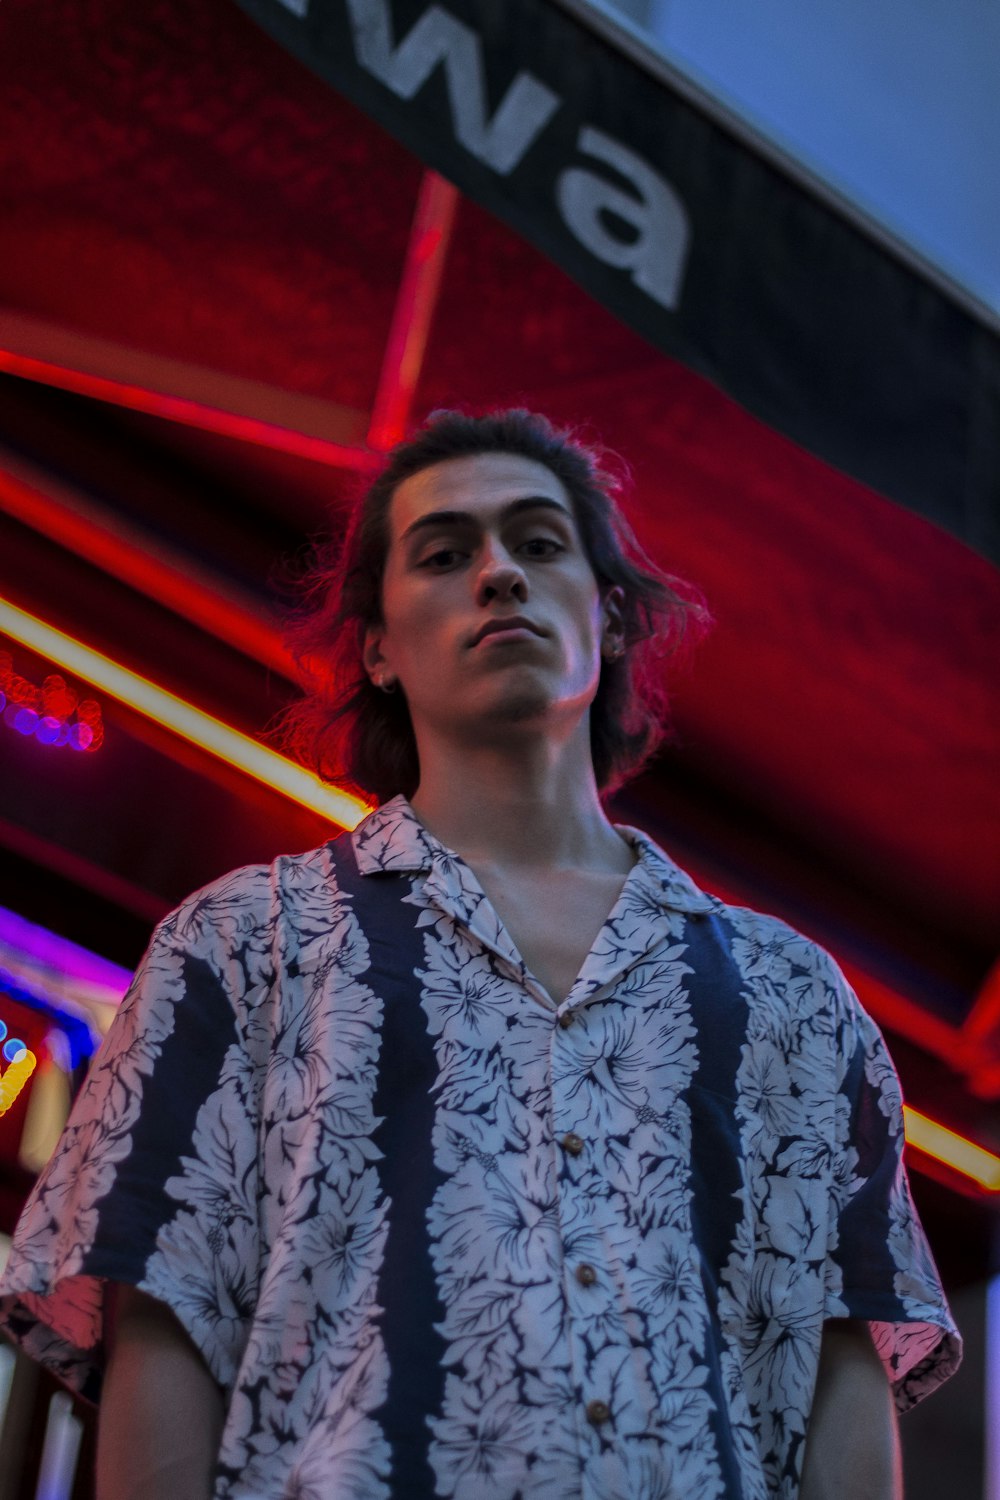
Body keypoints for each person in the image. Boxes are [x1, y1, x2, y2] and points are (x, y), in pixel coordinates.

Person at [0, 410, 960, 1499]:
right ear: (377, 646)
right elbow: (165, 1325)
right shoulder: (238, 945)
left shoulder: (793, 995)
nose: (499, 572)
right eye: (446, 553)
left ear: (606, 615)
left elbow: (837, 1367)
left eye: (540, 542)